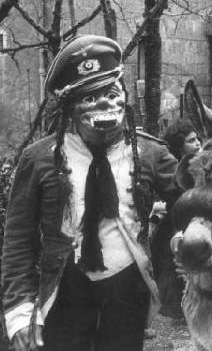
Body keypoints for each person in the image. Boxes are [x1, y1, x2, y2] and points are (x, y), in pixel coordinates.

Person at [1, 35, 178, 351]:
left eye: (112, 93)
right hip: (65, 291)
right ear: (70, 108)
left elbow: (190, 202)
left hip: (127, 291)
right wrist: (19, 309)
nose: (105, 104)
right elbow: (19, 239)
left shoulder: (151, 154)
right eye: (90, 97)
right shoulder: (40, 158)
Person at [151, 119, 201, 320]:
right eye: (191, 141)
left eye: (197, 138)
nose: (197, 143)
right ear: (180, 146)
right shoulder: (172, 165)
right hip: (177, 221)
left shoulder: (201, 161)